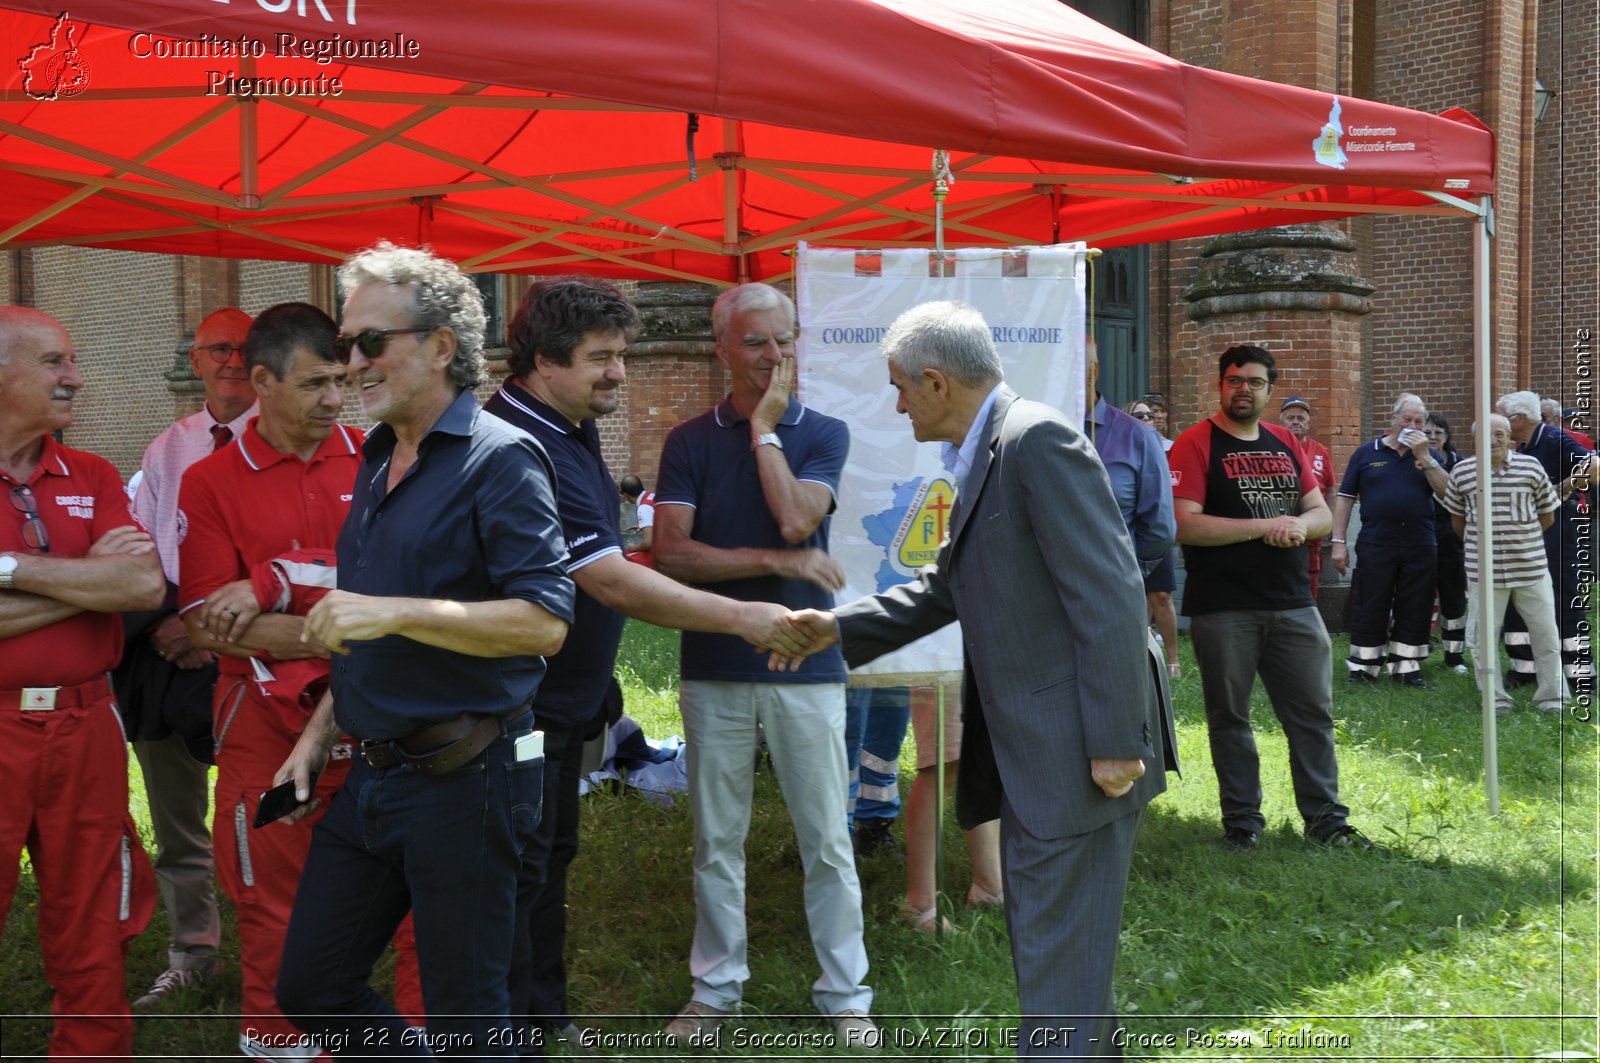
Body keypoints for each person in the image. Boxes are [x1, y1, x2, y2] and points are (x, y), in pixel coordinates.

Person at [781, 301, 1167, 1058]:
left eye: (899, 388)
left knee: (1058, 976)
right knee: (1065, 966)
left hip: (1080, 753)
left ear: (934, 381)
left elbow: (1113, 592)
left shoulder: (1034, 440)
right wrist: (839, 627)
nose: (895, 405)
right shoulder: (993, 446)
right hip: (1042, 751)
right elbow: (947, 586)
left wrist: (1119, 742)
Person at [481, 276, 806, 1048]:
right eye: (602, 357)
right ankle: (513, 1034)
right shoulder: (521, 443)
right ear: (540, 360)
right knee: (516, 874)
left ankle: (544, 1021)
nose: (620, 373)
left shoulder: (567, 422)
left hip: (562, 702)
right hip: (514, 709)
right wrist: (743, 616)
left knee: (547, 859)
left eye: (622, 355)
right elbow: (603, 576)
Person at [272, 242, 576, 1060]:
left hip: (468, 777)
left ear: (443, 345)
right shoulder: (376, 457)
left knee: (468, 1017)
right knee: (311, 988)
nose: (353, 363)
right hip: (373, 775)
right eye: (345, 345)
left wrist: (391, 610)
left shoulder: (500, 457)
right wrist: (316, 736)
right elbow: (365, 626)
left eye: (373, 342)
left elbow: (546, 620)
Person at [652, 282, 876, 1047]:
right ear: (722, 349)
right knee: (717, 839)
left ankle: (847, 996)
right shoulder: (686, 440)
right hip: (714, 661)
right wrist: (775, 563)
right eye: (756, 342)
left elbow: (797, 514)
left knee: (827, 838)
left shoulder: (823, 432)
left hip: (806, 667)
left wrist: (766, 432)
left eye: (786, 339)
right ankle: (715, 992)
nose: (775, 356)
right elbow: (671, 555)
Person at [175, 303, 376, 1060]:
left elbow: (399, 587)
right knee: (272, 907)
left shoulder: (381, 458)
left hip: (383, 719)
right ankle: (285, 1048)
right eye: (316, 382)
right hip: (261, 727)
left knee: (419, 905)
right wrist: (358, 621)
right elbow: (204, 622)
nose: (335, 398)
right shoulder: (209, 480)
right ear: (260, 381)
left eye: (342, 380)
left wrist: (275, 583)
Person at [0, 306, 164, 1058]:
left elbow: (141, 585)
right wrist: (85, 580)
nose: (77, 378)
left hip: (87, 726)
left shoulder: (93, 472)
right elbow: (111, 581)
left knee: (95, 913)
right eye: (55, 362)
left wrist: (11, 572)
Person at [1170, 344, 1371, 852]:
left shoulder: (1284, 440)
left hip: (1293, 603)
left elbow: (1321, 513)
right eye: (1235, 380)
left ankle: (1326, 820)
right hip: (1224, 606)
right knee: (1230, 719)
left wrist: (1298, 526)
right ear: (1221, 385)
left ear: (1268, 390)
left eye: (1255, 382)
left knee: (1312, 717)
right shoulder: (1195, 443)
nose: (1244, 389)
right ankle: (1242, 823)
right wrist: (1266, 526)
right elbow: (1184, 524)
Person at [120, 306, 255, 1008]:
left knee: (268, 820)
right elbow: (142, 554)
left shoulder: (294, 440)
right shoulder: (166, 448)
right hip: (168, 656)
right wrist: (171, 624)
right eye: (219, 349)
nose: (234, 360)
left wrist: (209, 629)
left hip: (260, 661)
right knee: (177, 821)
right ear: (196, 360)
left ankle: (282, 959)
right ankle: (193, 953)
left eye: (246, 348)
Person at [1440, 414, 1565, 713]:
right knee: (1482, 639)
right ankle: (1494, 698)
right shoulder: (1462, 472)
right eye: (1486, 434)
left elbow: (1547, 515)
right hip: (1484, 572)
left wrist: (1520, 540)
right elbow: (1458, 522)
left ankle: (1553, 697)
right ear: (1474, 438)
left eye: (1499, 434)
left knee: (1546, 634)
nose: (1493, 440)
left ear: (1510, 436)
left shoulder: (1531, 467)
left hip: (1531, 568)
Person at [1328, 392, 1450, 687]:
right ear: (1393, 419)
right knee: (1370, 603)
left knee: (1416, 604)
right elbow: (1344, 499)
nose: (1412, 425)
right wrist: (1338, 542)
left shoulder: (1429, 456)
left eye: (1419, 421)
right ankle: (1364, 666)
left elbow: (1448, 493)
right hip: (1375, 542)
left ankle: (1406, 668)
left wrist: (1424, 457)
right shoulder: (1366, 453)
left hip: (1419, 543)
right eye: (1406, 419)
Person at [1497, 390, 1595, 695]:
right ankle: (1524, 670)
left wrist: (1563, 487)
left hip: (1558, 535)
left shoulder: (1552, 439)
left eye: (1501, 415)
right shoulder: (1522, 447)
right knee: (1519, 600)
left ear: (1519, 419)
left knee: (1565, 601)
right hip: (1526, 536)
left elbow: (1594, 467)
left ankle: (1581, 677)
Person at [1118, 395, 1181, 677]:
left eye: (1150, 415)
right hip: (1128, 533)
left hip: (1156, 532)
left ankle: (1172, 660)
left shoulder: (1171, 449)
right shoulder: (1120, 448)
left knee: (1162, 596)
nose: (1148, 419)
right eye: (1140, 415)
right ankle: (1140, 654)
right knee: (1137, 598)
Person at [1277, 396, 1336, 599]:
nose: (1296, 421)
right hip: (1278, 531)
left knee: (1309, 583)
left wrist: (1331, 524)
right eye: (1290, 417)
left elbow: (1330, 489)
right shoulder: (1271, 448)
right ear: (1281, 420)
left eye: (1301, 418)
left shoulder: (1320, 451)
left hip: (1310, 535)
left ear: (1308, 423)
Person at [1424, 413, 1468, 671]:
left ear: (1446, 436)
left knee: (1453, 597)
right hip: (1422, 532)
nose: (1432, 437)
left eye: (1437, 433)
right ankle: (1417, 646)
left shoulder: (1459, 464)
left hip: (1451, 535)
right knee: (1419, 593)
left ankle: (1454, 656)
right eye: (1427, 433)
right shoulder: (1414, 461)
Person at [619, 473, 655, 566]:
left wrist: (633, 548)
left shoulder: (643, 508)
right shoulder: (651, 496)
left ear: (626, 495)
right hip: (669, 545)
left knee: (624, 558)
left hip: (658, 554)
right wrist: (641, 525)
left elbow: (648, 543)